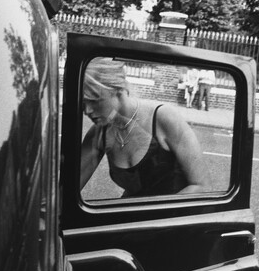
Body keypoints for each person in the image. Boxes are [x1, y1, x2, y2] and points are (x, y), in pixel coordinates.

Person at [80, 58, 212, 198]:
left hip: (175, 216)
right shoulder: (99, 133)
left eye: (94, 101)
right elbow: (68, 187)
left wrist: (147, 215)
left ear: (117, 89)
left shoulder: (164, 118)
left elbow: (202, 187)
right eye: (83, 103)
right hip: (132, 214)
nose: (87, 110)